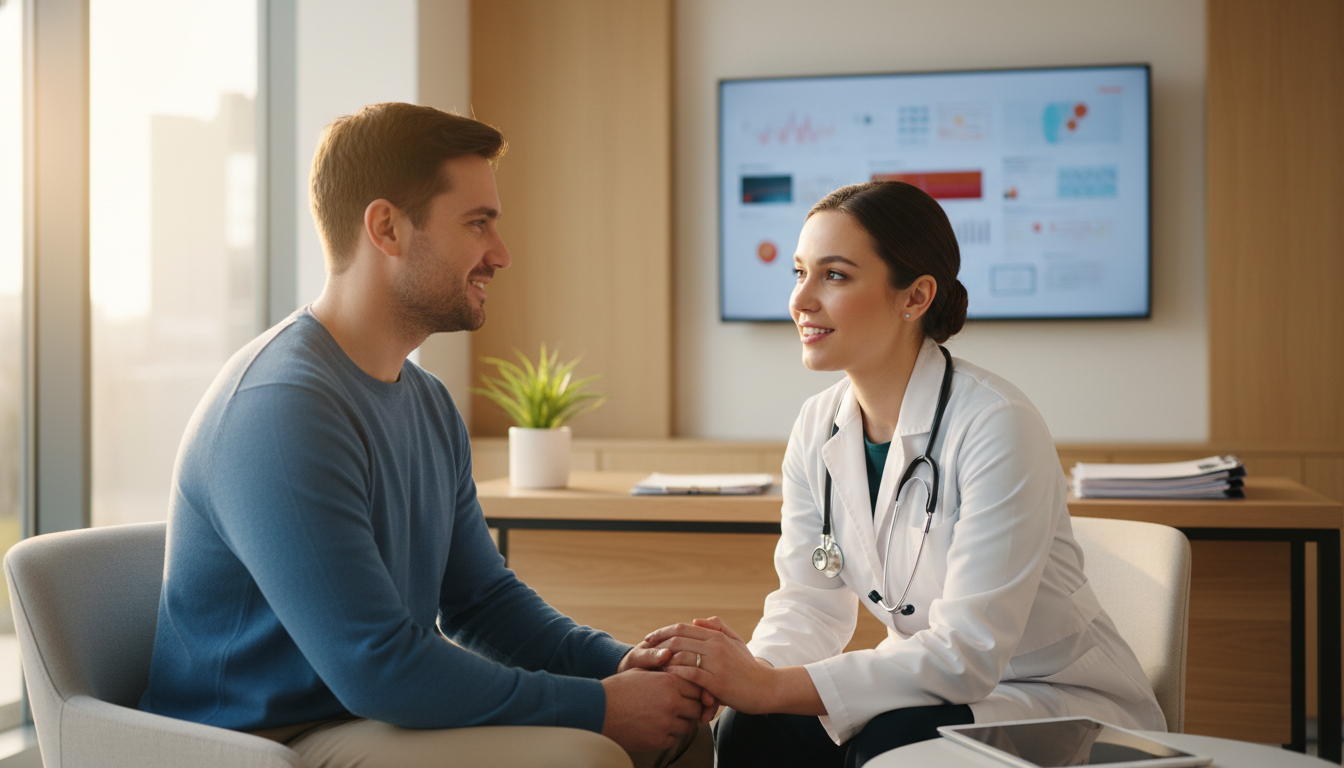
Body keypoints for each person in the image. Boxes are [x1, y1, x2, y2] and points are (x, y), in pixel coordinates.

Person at [138, 103, 712, 768]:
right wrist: (602, 706)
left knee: (679, 734)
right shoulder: (281, 408)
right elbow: (377, 666)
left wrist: (623, 664)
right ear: (386, 228)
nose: (501, 254)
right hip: (264, 740)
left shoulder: (428, 403)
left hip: (368, 713)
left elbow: (482, 601)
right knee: (588, 756)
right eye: (478, 224)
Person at [643, 181, 1166, 768]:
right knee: (750, 729)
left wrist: (768, 687)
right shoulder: (818, 427)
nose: (801, 300)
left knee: (893, 744)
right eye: (799, 273)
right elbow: (810, 604)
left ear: (914, 296)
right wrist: (753, 676)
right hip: (926, 689)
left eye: (834, 276)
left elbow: (967, 653)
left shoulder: (996, 423)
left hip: (1049, 697)